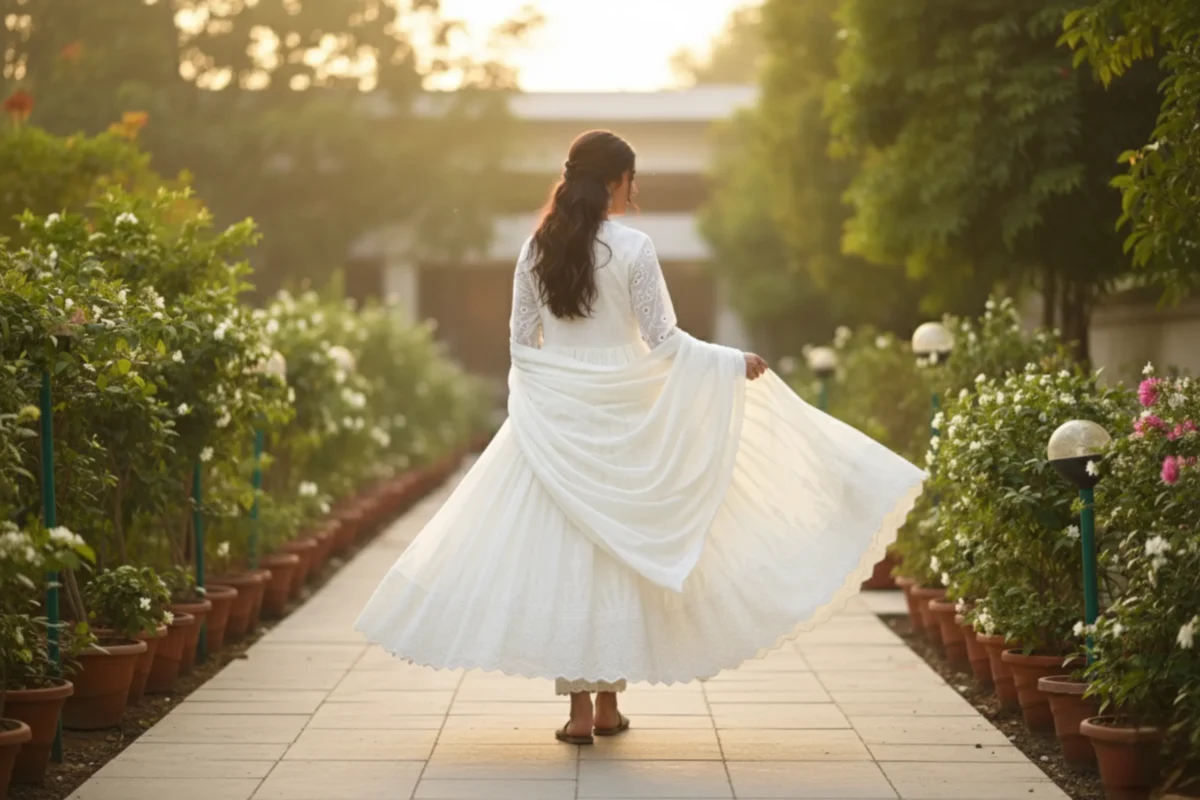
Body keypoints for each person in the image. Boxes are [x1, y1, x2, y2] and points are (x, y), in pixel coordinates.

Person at [355, 129, 925, 746]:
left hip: (560, 419)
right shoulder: (633, 247)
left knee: (568, 556)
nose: (637, 188)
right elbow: (664, 341)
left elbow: (522, 343)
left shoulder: (535, 250)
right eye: (632, 177)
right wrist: (732, 361)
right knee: (615, 551)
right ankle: (606, 706)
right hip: (625, 412)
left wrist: (548, 398)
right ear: (612, 182)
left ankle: (579, 711)